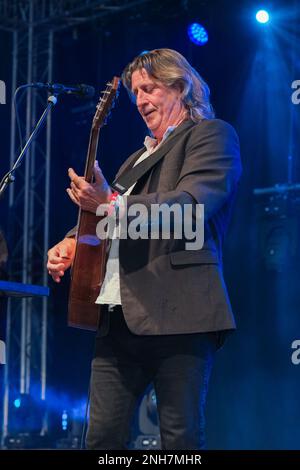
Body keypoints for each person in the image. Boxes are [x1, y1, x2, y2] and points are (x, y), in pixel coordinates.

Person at [47, 48, 241, 450]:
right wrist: (72, 242)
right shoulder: (135, 159)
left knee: (179, 440)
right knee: (100, 441)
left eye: (148, 88)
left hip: (181, 316)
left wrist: (108, 205)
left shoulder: (211, 135)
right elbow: (107, 216)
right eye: (135, 92)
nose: (139, 101)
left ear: (180, 86)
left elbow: (190, 208)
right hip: (117, 319)